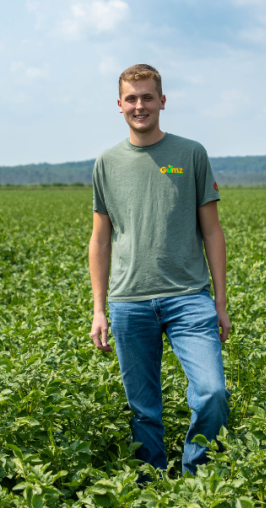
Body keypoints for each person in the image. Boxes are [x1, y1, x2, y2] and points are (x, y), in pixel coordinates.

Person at [88, 64, 231, 476]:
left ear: (162, 101)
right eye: (131, 98)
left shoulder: (190, 154)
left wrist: (220, 302)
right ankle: (151, 488)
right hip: (129, 302)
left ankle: (195, 477)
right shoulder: (106, 163)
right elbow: (99, 240)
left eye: (148, 97)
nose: (140, 106)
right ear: (119, 105)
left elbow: (213, 232)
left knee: (211, 392)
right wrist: (99, 309)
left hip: (188, 298)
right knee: (143, 410)